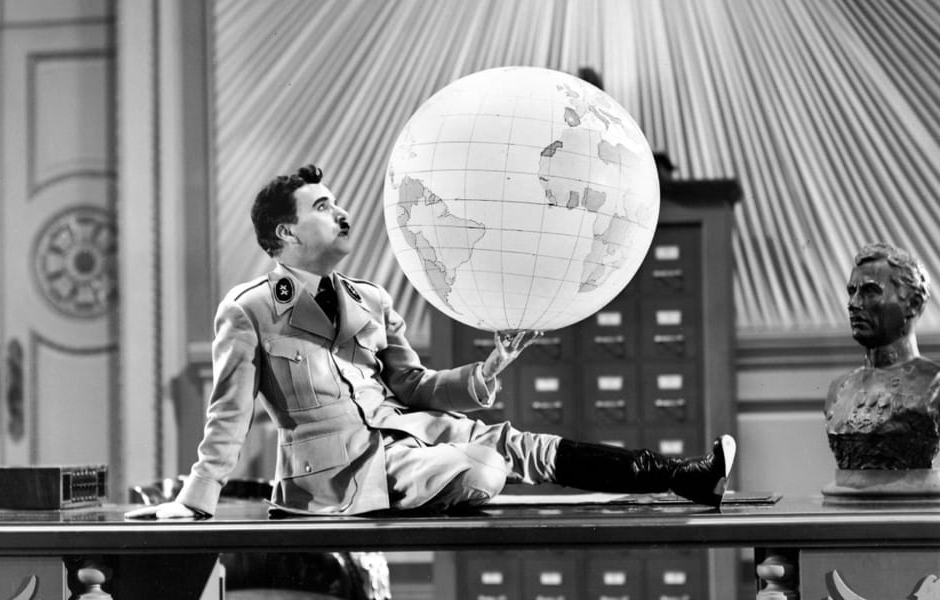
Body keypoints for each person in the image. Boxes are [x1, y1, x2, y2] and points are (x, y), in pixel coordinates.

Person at [126, 164, 735, 520]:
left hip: (410, 434)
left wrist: (483, 372)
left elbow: (411, 385)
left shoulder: (370, 299)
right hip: (339, 474)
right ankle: (464, 466)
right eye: (324, 207)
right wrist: (196, 500)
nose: (342, 214)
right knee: (482, 466)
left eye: (338, 203)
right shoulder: (251, 309)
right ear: (286, 232)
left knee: (523, 446)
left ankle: (684, 476)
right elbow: (227, 415)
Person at [826, 243, 940, 470]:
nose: (853, 304)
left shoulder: (934, 384)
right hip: (848, 490)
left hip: (910, 491)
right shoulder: (839, 389)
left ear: (913, 304)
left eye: (870, 292)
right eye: (852, 292)